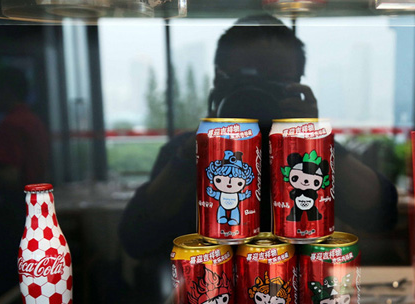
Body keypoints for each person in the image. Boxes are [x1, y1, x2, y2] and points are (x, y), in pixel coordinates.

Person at [118, 15, 398, 264]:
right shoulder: (190, 151)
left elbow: (381, 213)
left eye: (272, 83)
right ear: (218, 79)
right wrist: (192, 154)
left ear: (297, 83)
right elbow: (137, 239)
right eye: (245, 81)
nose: (256, 94)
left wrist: (314, 141)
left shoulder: (305, 157)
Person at [0, 67, 49, 304]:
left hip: (15, 212)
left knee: (6, 284)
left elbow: (11, 176)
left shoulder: (9, 124)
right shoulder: (33, 121)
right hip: (37, 209)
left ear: (6, 91)